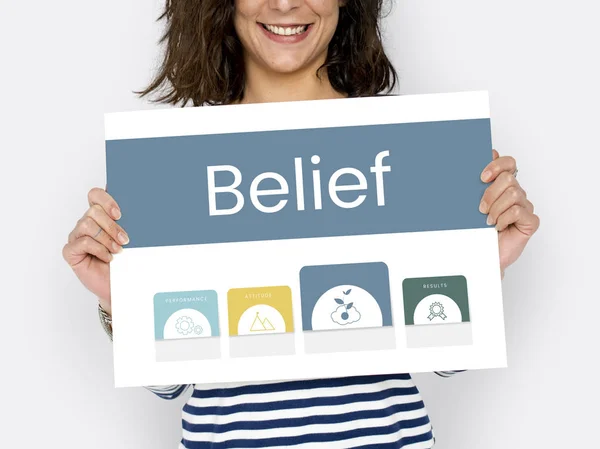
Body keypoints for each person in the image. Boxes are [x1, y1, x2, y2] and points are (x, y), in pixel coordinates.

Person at [62, 1, 540, 448]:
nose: (286, 3)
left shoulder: (407, 146)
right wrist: (116, 297)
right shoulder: (171, 165)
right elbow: (169, 382)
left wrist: (483, 266)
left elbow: (448, 360)